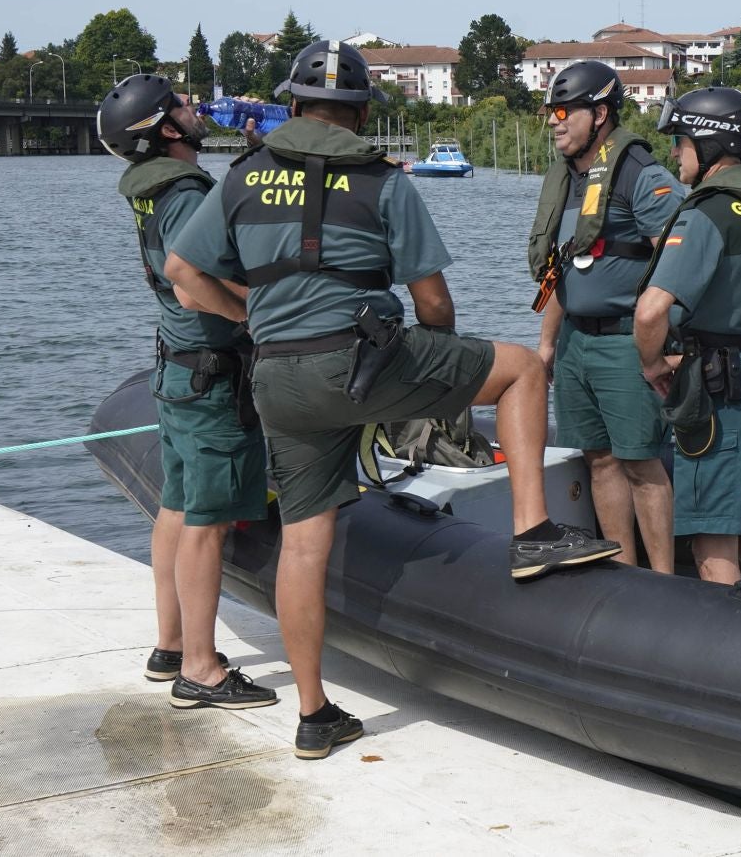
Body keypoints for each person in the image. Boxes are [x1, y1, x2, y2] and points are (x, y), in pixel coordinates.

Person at [165, 40, 621, 760]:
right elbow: (432, 301)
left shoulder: (242, 177)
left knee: (306, 541)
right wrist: (442, 375)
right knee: (520, 371)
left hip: (279, 375)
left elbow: (181, 271)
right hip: (365, 360)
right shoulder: (383, 180)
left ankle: (314, 715)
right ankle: (534, 533)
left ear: (291, 105)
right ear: (361, 111)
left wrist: (249, 316)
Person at [96, 74, 277, 710]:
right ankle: (200, 670)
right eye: (182, 105)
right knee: (207, 521)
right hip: (210, 378)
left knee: (175, 506)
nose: (195, 108)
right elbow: (186, 280)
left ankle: (170, 644)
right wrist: (252, 313)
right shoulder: (186, 191)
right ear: (167, 130)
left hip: (177, 369)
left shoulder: (154, 189)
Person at [634, 87, 741, 585]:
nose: (673, 153)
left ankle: (721, 650)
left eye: (679, 142)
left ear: (707, 144)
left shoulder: (707, 213)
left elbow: (649, 313)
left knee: (713, 534)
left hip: (722, 386)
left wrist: (653, 367)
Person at [528, 61, 684, 574]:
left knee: (641, 463)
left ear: (598, 113)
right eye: (550, 112)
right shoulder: (566, 179)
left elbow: (679, 264)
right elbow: (560, 270)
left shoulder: (641, 174)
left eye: (562, 111)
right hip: (575, 343)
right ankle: (623, 573)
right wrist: (547, 347)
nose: (553, 121)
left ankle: (663, 581)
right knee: (598, 459)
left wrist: (665, 347)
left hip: (625, 344)